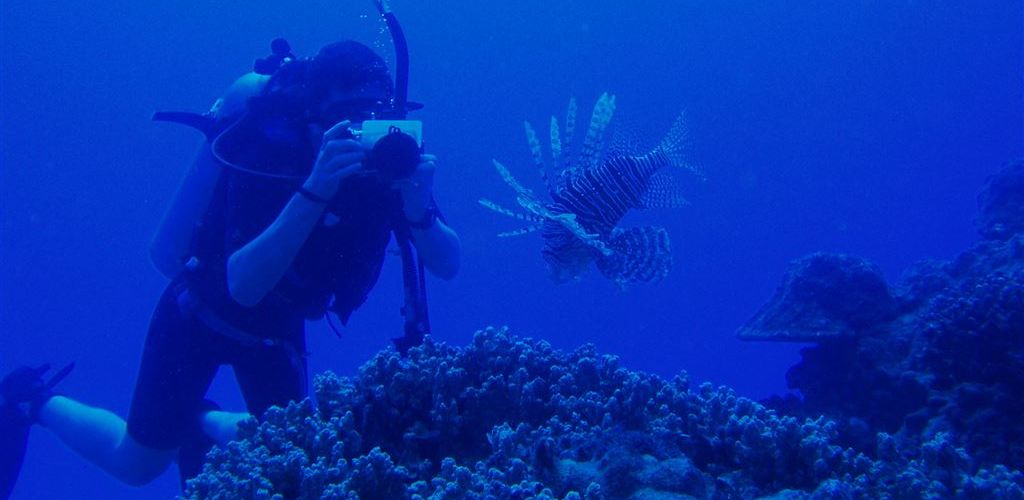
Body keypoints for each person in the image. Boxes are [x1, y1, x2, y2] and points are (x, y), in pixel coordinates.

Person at [0, 37, 460, 492]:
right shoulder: (271, 150)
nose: (362, 131)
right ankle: (33, 401)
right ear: (314, 114)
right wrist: (317, 188)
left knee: (298, 455)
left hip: (277, 332)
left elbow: (448, 263)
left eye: (375, 116)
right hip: (199, 313)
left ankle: (200, 423)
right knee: (137, 465)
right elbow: (243, 286)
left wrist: (419, 209)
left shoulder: (386, 162)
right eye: (349, 117)